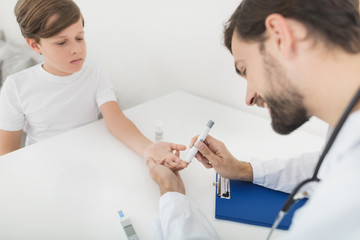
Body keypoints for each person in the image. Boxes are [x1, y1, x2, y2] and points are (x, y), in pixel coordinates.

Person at [147, 0, 360, 239]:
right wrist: (243, 170)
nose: (249, 98)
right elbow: (325, 166)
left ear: (280, 36)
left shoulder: (350, 184)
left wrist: (172, 195)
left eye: (245, 69)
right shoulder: (350, 132)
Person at [0, 0, 186, 171]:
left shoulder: (95, 75)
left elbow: (116, 120)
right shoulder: (16, 87)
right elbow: (8, 155)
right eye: (62, 42)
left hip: (88, 163)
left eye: (79, 38)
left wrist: (149, 148)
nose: (76, 49)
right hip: (43, 168)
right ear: (35, 45)